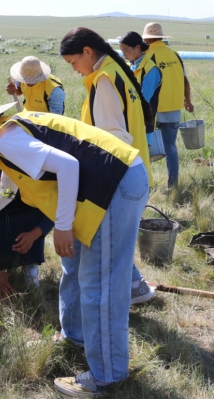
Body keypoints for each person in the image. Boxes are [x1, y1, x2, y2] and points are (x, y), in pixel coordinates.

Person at [0, 94, 149, 398]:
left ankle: (108, 375)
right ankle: (75, 336)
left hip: (114, 186)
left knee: (100, 284)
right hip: (108, 183)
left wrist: (62, 226)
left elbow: (67, 166)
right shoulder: (4, 138)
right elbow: (6, 190)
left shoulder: (7, 140)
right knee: (74, 267)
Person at [60, 27, 156, 306]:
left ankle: (117, 304)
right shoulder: (116, 71)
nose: (75, 70)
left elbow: (112, 140)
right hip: (137, 172)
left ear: (88, 52)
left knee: (107, 251)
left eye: (73, 63)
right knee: (118, 246)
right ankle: (135, 287)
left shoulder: (104, 80)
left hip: (118, 179)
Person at [0, 152, 54, 297]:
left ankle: (29, 265)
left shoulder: (28, 180)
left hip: (24, 223)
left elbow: (53, 210)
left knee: (32, 216)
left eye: (0, 186)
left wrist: (34, 235)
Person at [142, 22, 194, 188]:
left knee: (145, 148)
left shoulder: (147, 56)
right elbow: (185, 81)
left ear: (147, 39)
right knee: (170, 147)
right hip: (173, 108)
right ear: (161, 37)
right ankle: (173, 184)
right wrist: (187, 100)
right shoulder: (175, 55)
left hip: (152, 111)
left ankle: (146, 185)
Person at [119, 31, 162, 126]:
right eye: (122, 51)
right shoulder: (128, 66)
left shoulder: (151, 70)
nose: (124, 55)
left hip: (143, 123)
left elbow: (144, 99)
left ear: (137, 47)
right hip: (128, 121)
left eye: (126, 51)